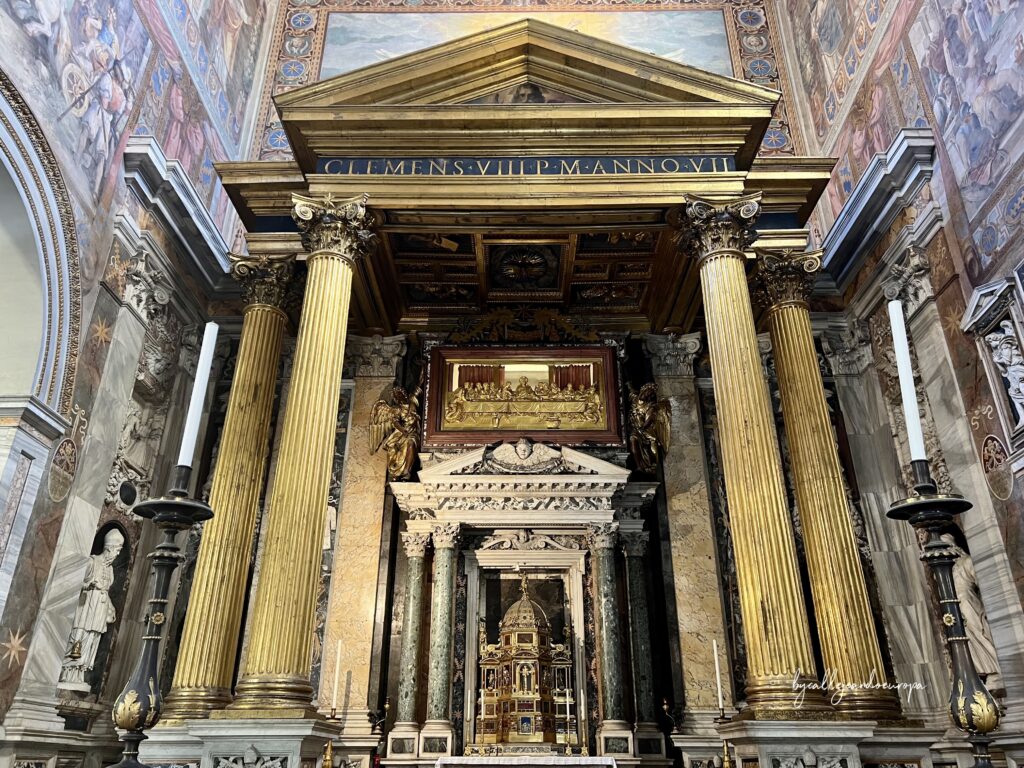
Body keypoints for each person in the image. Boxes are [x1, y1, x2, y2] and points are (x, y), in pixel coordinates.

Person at [59, 528, 125, 689]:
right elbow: (74, 584)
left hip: (99, 610)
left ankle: (80, 674)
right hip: (87, 607)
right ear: (109, 548)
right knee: (80, 635)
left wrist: (110, 607)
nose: (117, 555)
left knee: (92, 639)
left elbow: (106, 589)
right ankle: (68, 673)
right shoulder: (92, 562)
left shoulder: (110, 569)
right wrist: (89, 585)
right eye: (117, 551)